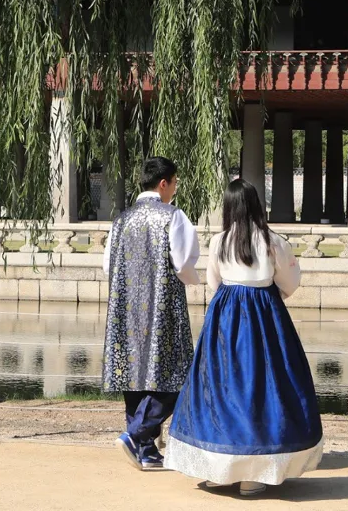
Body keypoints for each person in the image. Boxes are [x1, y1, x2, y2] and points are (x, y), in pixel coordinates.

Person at [164, 179, 323, 497]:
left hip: (226, 317)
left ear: (229, 206)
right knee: (266, 386)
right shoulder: (272, 240)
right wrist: (268, 295)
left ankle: (221, 470)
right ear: (255, 204)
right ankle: (255, 472)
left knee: (222, 386)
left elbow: (214, 282)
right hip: (265, 316)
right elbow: (290, 281)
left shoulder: (220, 241)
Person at [102, 156, 201, 471]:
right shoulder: (173, 216)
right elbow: (183, 263)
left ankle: (145, 450)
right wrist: (194, 281)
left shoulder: (121, 220)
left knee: (134, 375)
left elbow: (108, 266)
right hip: (162, 307)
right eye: (175, 183)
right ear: (163, 183)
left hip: (126, 308)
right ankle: (135, 435)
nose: (175, 189)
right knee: (177, 374)